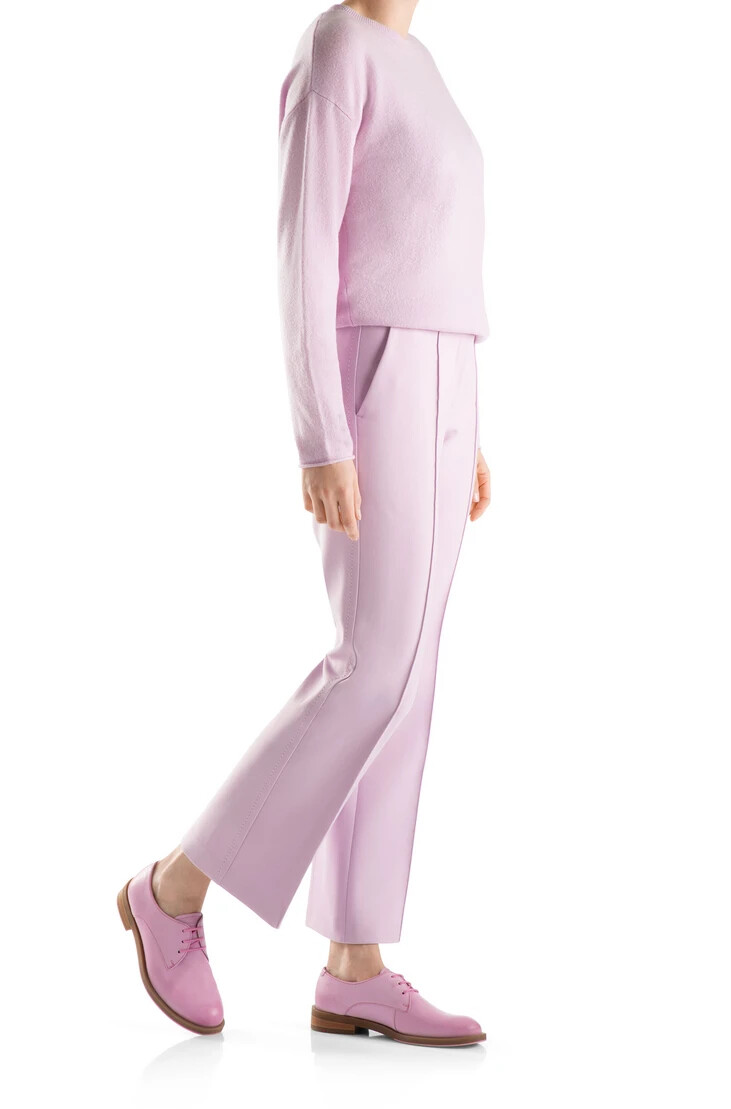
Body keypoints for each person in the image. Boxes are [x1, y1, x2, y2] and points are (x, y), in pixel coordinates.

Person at [118, 0, 492, 1048]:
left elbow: (434, 245)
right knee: (372, 666)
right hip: (374, 372)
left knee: (407, 680)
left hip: (444, 373)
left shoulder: (422, 64)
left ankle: (355, 965)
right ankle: (173, 889)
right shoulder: (337, 47)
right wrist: (321, 433)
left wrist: (470, 428)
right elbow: (303, 251)